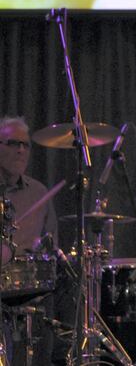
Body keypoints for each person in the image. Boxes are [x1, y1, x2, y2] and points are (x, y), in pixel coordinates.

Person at [0, 116, 59, 365]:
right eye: (14, 143)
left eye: (26, 145)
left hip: (29, 290)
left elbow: (51, 245)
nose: (21, 150)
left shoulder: (39, 192)